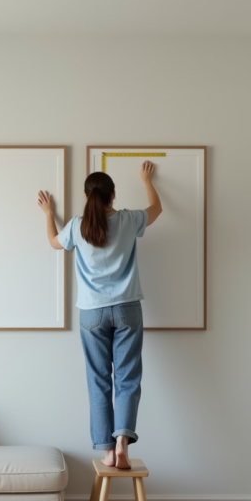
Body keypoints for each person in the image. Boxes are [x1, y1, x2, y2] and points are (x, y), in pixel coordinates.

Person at [38, 161, 161, 469]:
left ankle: (106, 452)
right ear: (113, 195)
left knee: (98, 381)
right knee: (128, 377)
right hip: (127, 308)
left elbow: (54, 243)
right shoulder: (130, 219)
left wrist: (48, 214)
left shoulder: (78, 226)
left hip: (92, 314)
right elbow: (156, 208)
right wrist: (146, 180)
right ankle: (122, 443)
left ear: (85, 194)